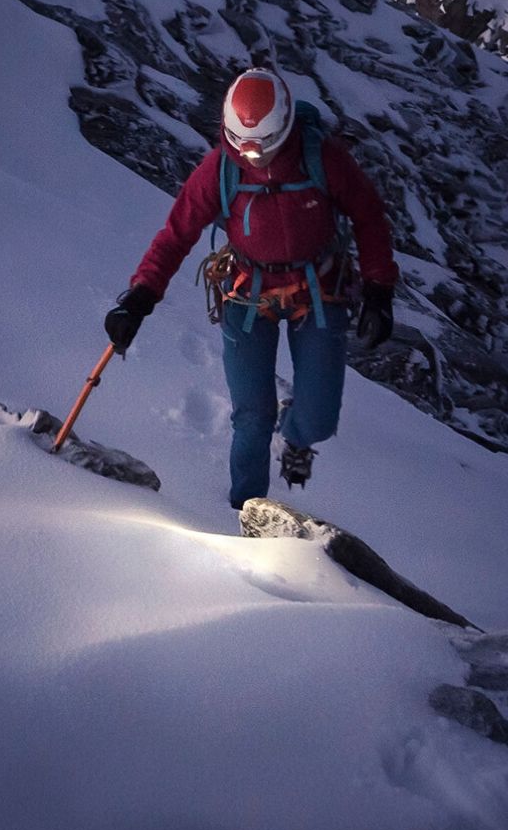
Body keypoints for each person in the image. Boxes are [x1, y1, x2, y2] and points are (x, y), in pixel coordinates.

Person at [103, 68, 397, 509]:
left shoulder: (323, 159)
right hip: (248, 293)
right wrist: (140, 297)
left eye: (263, 144)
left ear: (286, 126)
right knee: (251, 417)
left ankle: (297, 436)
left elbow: (369, 216)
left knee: (317, 418)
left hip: (316, 289)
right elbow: (176, 234)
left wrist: (379, 289)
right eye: (244, 145)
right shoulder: (219, 170)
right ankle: (244, 511)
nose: (254, 156)